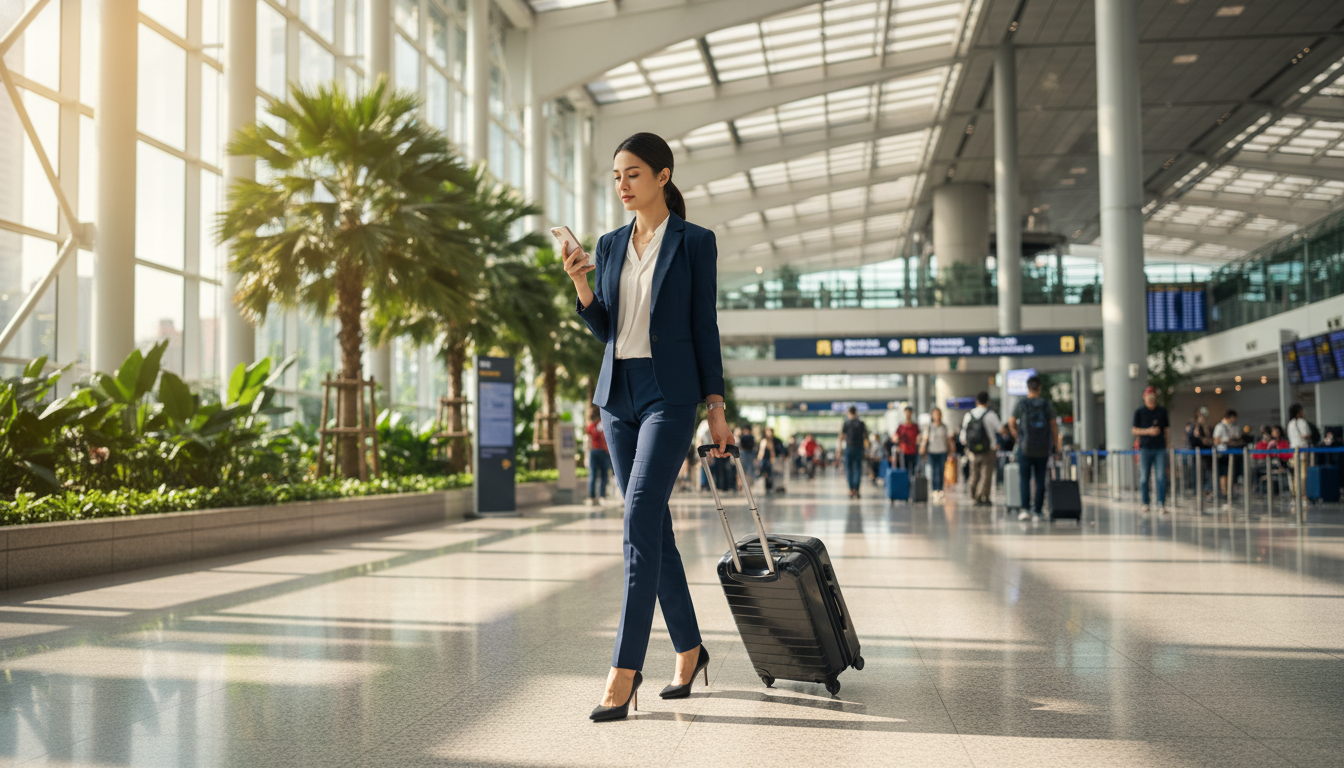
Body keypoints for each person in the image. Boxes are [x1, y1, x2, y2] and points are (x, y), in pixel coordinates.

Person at [564, 132, 729, 721]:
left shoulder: (695, 243)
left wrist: (716, 407)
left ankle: (624, 669)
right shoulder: (609, 245)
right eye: (616, 176)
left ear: (663, 176)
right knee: (653, 528)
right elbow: (606, 326)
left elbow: (704, 328)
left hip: (670, 397)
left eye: (632, 174)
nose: (622, 185)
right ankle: (689, 649)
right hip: (616, 397)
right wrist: (582, 281)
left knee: (637, 520)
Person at [1010, 375, 1060, 522]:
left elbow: (1011, 422)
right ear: (1039, 387)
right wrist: (1055, 444)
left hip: (1025, 447)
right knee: (1040, 479)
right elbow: (1053, 425)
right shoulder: (1046, 404)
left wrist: (1018, 436)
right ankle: (1037, 511)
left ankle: (1025, 509)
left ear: (1028, 387)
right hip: (1043, 448)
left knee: (1024, 479)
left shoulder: (1021, 403)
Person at [1132, 385, 1170, 515]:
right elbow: (1134, 430)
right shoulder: (1140, 412)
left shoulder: (1162, 412)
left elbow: (1166, 430)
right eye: (1149, 397)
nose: (1152, 400)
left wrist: (1167, 445)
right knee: (1144, 478)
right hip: (1145, 449)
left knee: (1161, 477)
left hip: (1160, 449)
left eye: (1154, 397)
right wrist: (1148, 431)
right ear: (1145, 398)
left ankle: (1161, 503)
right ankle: (1145, 502)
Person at [960, 391, 1001, 506]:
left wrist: (967, 445)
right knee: (986, 474)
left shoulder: (969, 415)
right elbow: (1000, 429)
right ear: (987, 401)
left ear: (976, 401)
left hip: (972, 450)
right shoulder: (990, 414)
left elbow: (963, 436)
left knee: (974, 473)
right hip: (988, 449)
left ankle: (973, 493)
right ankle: (982, 496)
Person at [920, 407, 955, 501]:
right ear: (932, 415)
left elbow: (949, 439)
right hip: (932, 451)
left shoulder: (945, 427)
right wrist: (922, 448)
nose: (937, 416)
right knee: (933, 471)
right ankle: (934, 489)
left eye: (938, 414)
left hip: (942, 451)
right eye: (935, 414)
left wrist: (952, 450)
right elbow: (925, 439)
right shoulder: (929, 427)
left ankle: (940, 489)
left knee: (941, 471)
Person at [1213, 409, 1243, 507]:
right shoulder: (1220, 426)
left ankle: (1230, 490)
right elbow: (1216, 441)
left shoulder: (1233, 427)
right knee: (1224, 472)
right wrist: (1225, 441)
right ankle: (1224, 491)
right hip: (1223, 452)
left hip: (1232, 452)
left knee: (1233, 472)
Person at [838, 405, 869, 499]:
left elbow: (841, 436)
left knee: (849, 469)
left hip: (849, 448)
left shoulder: (846, 423)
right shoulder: (861, 423)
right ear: (856, 412)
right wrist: (866, 449)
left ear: (849, 413)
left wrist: (839, 449)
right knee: (858, 469)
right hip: (859, 448)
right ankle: (857, 489)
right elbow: (865, 436)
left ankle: (851, 489)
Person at [1286, 403, 1313, 500]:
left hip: (1293, 451)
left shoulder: (1290, 423)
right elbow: (1307, 434)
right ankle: (1302, 493)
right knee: (1303, 474)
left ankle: (1295, 493)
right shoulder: (1301, 422)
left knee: (1296, 474)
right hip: (1302, 450)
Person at [585, 407, 611, 506]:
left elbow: (588, 439)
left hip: (593, 451)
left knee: (593, 474)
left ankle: (591, 497)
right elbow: (605, 438)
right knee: (604, 474)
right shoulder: (601, 424)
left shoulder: (590, 425)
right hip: (603, 451)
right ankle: (602, 496)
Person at [895, 406, 920, 472]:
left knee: (913, 469)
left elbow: (918, 436)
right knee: (904, 469)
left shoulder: (915, 426)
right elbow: (895, 437)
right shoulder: (901, 426)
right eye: (906, 412)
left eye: (909, 413)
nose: (908, 414)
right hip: (903, 451)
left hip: (913, 450)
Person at [737, 424, 757, 490]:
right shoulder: (743, 437)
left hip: (749, 454)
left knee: (749, 470)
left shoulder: (751, 437)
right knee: (742, 470)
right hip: (744, 454)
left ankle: (747, 484)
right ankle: (740, 484)